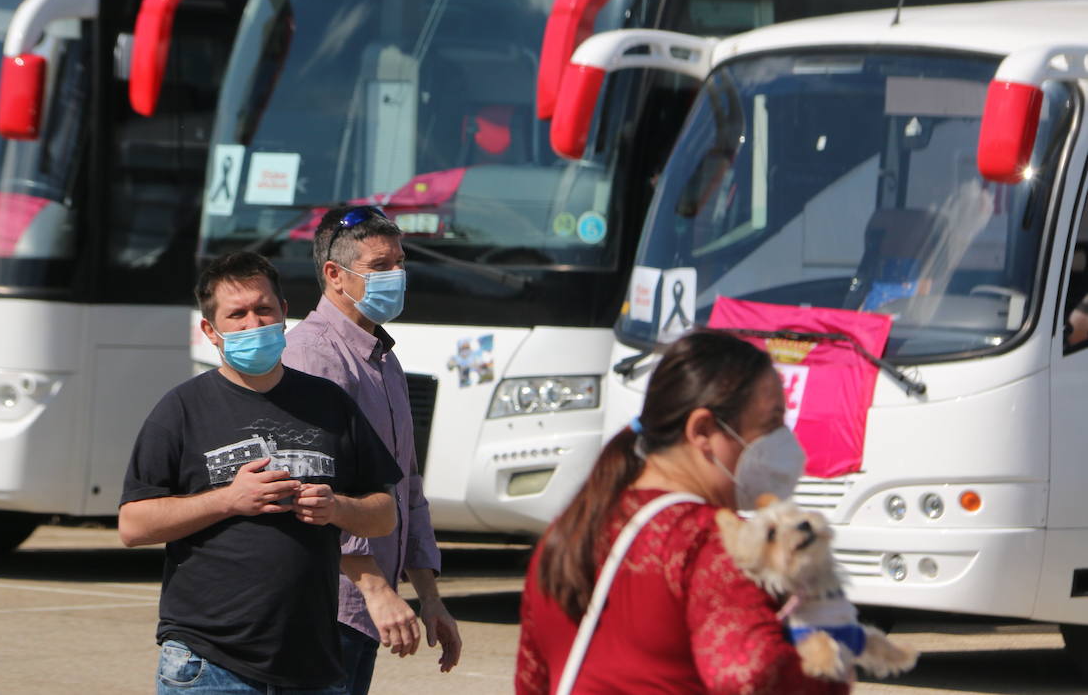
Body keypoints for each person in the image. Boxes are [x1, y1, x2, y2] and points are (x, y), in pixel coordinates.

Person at [120, 251, 403, 695]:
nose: (254, 323)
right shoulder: (181, 409)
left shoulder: (330, 405)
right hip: (209, 661)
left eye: (263, 308)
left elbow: (384, 513)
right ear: (211, 331)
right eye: (237, 314)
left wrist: (337, 508)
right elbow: (133, 525)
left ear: (283, 312)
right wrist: (228, 500)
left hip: (312, 661)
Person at [515, 330, 850, 694]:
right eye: (770, 424)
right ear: (703, 431)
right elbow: (749, 675)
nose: (785, 442)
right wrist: (829, 670)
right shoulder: (713, 540)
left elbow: (531, 682)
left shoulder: (568, 531)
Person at [282, 205, 463, 692]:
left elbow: (407, 487)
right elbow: (311, 492)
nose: (397, 275)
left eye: (401, 262)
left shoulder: (383, 360)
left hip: (363, 612)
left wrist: (429, 595)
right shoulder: (311, 355)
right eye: (381, 266)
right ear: (334, 275)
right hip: (325, 610)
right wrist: (375, 587)